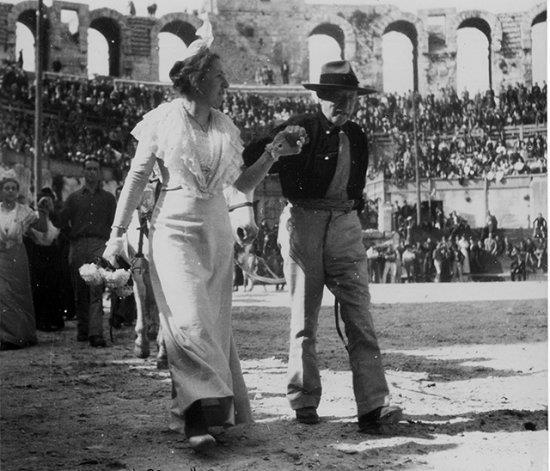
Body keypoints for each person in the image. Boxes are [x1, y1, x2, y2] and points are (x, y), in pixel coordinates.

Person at [101, 18, 303, 451]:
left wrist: (272, 154)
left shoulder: (226, 127)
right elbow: (137, 179)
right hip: (172, 229)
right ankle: (194, 420)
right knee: (187, 321)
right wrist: (116, 234)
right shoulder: (161, 120)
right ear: (195, 80)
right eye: (217, 76)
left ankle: (209, 416)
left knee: (210, 326)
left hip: (216, 232)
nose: (226, 83)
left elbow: (239, 187)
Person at [243, 60, 402, 432]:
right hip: (305, 223)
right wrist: (278, 148)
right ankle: (304, 399)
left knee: (360, 317)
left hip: (346, 226)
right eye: (334, 97)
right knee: (304, 319)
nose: (342, 105)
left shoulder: (359, 136)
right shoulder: (301, 128)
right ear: (319, 97)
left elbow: (356, 190)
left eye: (349, 98)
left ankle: (373, 405)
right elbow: (251, 157)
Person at [55, 157, 116, 348]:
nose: (91, 172)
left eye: (95, 169)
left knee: (96, 289)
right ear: (83, 172)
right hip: (79, 245)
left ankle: (95, 334)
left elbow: (114, 224)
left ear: (99, 173)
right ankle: (83, 328)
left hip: (99, 244)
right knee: (80, 289)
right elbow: (61, 222)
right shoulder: (73, 198)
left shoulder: (108, 199)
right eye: (88, 169)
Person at [0, 176, 49, 349]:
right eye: (7, 188)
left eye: (14, 188)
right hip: (0, 257)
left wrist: (43, 211)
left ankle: (22, 335)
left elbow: (42, 228)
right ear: (1, 191)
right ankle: (6, 337)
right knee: (3, 295)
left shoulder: (23, 211)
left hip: (18, 257)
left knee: (19, 295)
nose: (11, 191)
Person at [25, 187, 65, 332]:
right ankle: (40, 320)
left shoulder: (55, 217)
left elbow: (58, 230)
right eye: (43, 201)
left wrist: (51, 212)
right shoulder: (33, 216)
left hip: (53, 253)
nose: (45, 204)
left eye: (48, 201)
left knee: (53, 287)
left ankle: (54, 319)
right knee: (39, 287)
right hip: (38, 253)